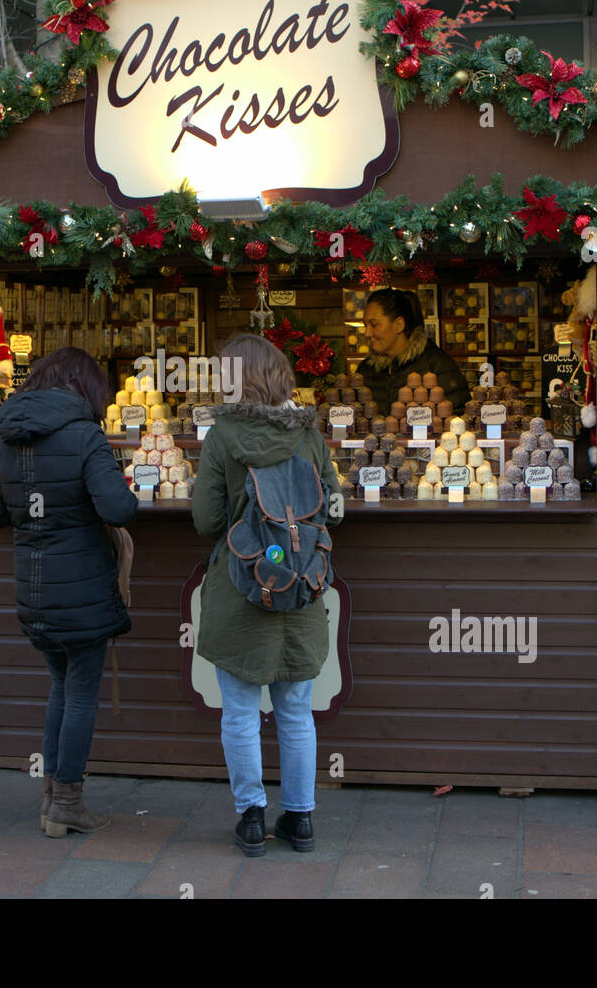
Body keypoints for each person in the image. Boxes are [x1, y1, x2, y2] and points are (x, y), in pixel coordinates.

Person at [191, 334, 342, 856]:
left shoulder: (221, 436)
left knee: (239, 710)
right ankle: (300, 820)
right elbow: (332, 505)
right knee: (297, 711)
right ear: (279, 375)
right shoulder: (310, 434)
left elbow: (208, 520)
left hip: (242, 587)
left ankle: (252, 819)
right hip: (299, 585)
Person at [0, 347, 138, 837]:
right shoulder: (85, 434)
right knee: (81, 692)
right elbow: (118, 509)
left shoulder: (5, 435)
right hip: (83, 591)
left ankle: (52, 796)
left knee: (61, 687)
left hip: (33, 591)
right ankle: (66, 800)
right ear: (85, 386)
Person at [358, 288, 470, 414]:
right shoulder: (365, 370)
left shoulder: (437, 365)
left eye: (374, 325)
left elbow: (459, 420)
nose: (367, 333)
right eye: (365, 326)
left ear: (399, 325)